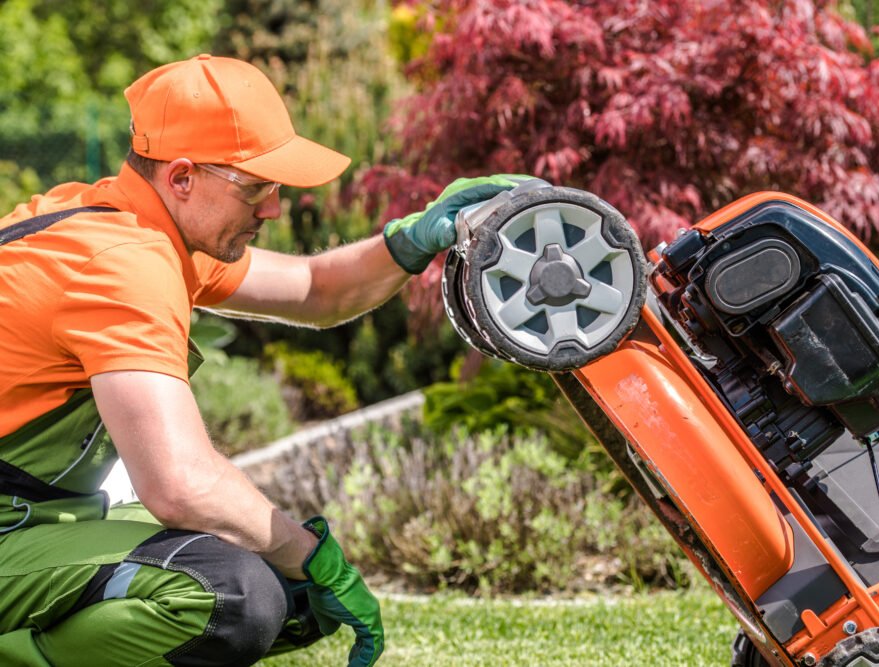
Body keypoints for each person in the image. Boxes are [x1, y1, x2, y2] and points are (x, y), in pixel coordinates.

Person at [0, 54, 525, 667]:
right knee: (233, 594)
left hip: (36, 521)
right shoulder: (121, 263)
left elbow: (314, 290)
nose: (274, 209)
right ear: (182, 177)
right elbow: (180, 485)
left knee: (277, 582)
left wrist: (412, 239)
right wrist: (316, 556)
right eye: (256, 187)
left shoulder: (126, 224)